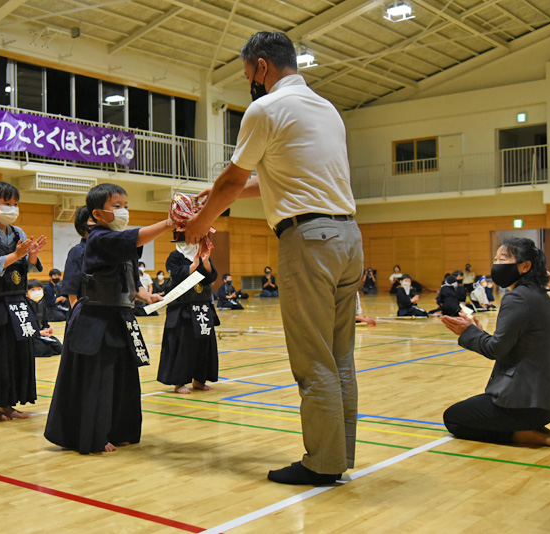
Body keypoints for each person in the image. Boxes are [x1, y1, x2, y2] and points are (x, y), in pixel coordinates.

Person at [184, 32, 363, 485]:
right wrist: (213, 195)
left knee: (313, 357)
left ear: (261, 66)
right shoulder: (327, 109)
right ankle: (338, 455)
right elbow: (275, 177)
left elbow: (231, 182)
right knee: (339, 356)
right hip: (348, 237)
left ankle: (322, 463)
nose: (250, 82)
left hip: (309, 239)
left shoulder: (265, 109)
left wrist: (199, 224)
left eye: (248, 74)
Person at [44, 183, 169, 454]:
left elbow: (130, 282)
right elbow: (75, 288)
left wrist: (147, 297)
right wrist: (169, 223)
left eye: (126, 206)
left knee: (124, 378)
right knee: (97, 379)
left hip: (121, 317)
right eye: (117, 206)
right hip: (95, 318)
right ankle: (94, 435)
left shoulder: (120, 244)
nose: (124, 211)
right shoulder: (98, 238)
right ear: (98, 214)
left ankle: (120, 429)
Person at [441, 238, 550, 447]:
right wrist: (478, 332)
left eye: (503, 259)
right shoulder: (540, 295)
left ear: (525, 266)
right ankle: (531, 427)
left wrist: (468, 332)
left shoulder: (517, 297)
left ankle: (521, 434)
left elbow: (496, 349)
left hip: (523, 405)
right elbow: (509, 343)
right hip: (545, 405)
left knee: (454, 418)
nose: (497, 264)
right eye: (496, 259)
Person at [0, 181, 47, 422]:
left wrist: (32, 255)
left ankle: (7, 404)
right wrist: (17, 254)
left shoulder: (18, 233)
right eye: (7, 203)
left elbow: (25, 268)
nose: (13, 208)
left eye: (15, 204)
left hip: (17, 302)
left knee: (15, 355)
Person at [158, 243, 220, 394]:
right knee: (184, 345)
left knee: (203, 344)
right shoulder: (175, 256)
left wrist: (205, 262)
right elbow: (176, 276)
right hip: (183, 307)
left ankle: (199, 379)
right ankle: (179, 382)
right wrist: (194, 265)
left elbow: (211, 277)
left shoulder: (202, 255)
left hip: (202, 306)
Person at [63, 206, 93, 309]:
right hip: (86, 311)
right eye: (92, 220)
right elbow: (72, 292)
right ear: (83, 226)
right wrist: (77, 313)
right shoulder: (77, 251)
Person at [26, 280, 62, 357]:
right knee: (45, 350)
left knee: (59, 348)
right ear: (26, 293)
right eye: (33, 290)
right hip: (31, 336)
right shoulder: (25, 306)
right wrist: (38, 333)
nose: (36, 292)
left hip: (41, 334)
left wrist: (47, 329)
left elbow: (45, 321)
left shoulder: (42, 303)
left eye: (39, 289)